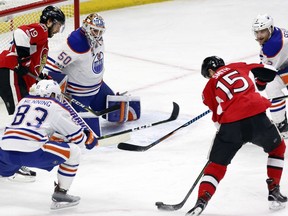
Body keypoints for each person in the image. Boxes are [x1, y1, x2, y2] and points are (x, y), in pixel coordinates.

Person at [186, 56, 287, 216]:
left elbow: (215, 113)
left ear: (211, 71)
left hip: (231, 125)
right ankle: (274, 190)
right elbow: (269, 72)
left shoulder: (209, 86)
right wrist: (260, 84)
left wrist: (222, 127)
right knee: (278, 148)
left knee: (216, 165)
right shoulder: (239, 66)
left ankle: (202, 200)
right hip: (257, 117)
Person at [0, 80, 98, 209]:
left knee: (7, 165)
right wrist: (88, 138)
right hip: (32, 154)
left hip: (5, 152)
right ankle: (61, 195)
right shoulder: (55, 106)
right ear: (53, 94)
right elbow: (78, 139)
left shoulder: (23, 101)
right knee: (74, 152)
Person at [44, 13, 141, 136]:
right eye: (95, 31)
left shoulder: (97, 38)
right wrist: (60, 92)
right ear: (86, 28)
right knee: (78, 131)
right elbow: (51, 65)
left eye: (100, 31)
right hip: (78, 95)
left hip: (98, 88)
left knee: (122, 113)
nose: (98, 34)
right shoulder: (77, 43)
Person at [0, 5, 65, 115]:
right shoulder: (42, 29)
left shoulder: (43, 42)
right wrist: (24, 62)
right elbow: (20, 33)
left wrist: (40, 77)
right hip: (11, 70)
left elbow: (33, 65)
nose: (58, 30)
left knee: (25, 111)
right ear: (49, 22)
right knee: (21, 112)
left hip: (16, 74)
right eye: (58, 25)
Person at [252, 14, 288, 138]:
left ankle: (281, 126)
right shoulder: (276, 32)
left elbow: (267, 74)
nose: (258, 36)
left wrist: (259, 81)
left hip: (284, 68)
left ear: (270, 29)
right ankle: (281, 124)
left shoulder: (273, 45)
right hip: (285, 67)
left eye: (262, 32)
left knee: (271, 86)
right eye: (256, 32)